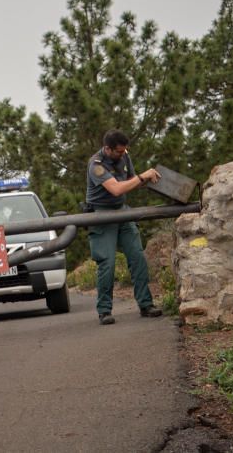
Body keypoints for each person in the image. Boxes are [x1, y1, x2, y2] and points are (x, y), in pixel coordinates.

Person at [85, 129, 164, 325]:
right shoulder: (96, 165)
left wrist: (148, 179)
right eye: (119, 152)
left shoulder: (124, 154)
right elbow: (116, 189)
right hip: (102, 214)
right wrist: (142, 177)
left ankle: (146, 304)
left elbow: (132, 181)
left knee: (137, 257)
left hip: (123, 210)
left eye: (124, 151)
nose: (123, 154)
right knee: (107, 263)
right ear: (107, 149)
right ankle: (104, 311)